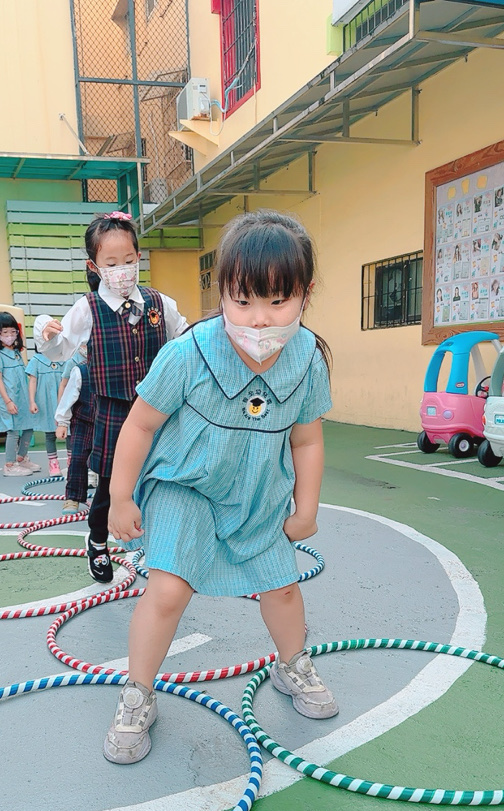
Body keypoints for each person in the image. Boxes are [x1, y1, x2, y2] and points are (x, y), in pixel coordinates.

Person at [102, 208, 338, 765]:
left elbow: (307, 439)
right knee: (168, 591)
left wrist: (306, 508)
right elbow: (140, 425)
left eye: (277, 301)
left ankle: (292, 665)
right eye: (243, 300)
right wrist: (120, 495)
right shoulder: (188, 353)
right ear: (223, 293)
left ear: (305, 294)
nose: (260, 319)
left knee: (283, 587)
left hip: (258, 494)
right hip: (187, 486)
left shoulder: (307, 358)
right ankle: (137, 692)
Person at [34, 211, 187, 583]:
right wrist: (44, 330)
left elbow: (186, 339)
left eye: (129, 260)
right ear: (95, 266)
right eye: (112, 263)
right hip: (114, 413)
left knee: (163, 480)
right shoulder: (86, 309)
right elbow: (59, 350)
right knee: (109, 484)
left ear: (139, 257)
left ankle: (163, 547)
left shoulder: (159, 303)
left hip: (159, 411)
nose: (122, 270)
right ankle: (99, 541)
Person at [0, 312, 39, 477]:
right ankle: (9, 465)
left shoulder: (17, 352)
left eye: (13, 332)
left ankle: (21, 458)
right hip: (8, 399)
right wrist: (8, 401)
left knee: (29, 426)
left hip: (21, 398)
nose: (10, 336)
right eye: (5, 332)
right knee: (13, 430)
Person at [54, 345, 94, 512]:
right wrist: (62, 422)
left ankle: (110, 498)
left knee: (110, 461)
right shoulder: (80, 371)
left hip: (106, 421)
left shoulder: (116, 369)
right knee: (78, 458)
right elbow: (67, 398)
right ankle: (73, 497)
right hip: (83, 422)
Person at [26, 345, 65, 476]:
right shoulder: (37, 360)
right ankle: (53, 463)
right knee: (50, 433)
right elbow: (32, 382)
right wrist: (32, 401)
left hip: (63, 401)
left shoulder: (64, 359)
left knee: (69, 432)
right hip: (46, 402)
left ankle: (72, 462)